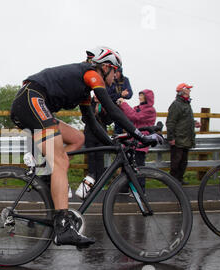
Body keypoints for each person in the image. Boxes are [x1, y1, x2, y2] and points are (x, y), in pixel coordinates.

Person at [10, 46, 163, 248]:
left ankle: (49, 176)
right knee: (61, 161)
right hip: (31, 99)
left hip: (33, 102)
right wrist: (139, 135)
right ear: (107, 67)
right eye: (116, 72)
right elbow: (113, 110)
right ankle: (63, 228)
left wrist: (112, 145)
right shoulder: (92, 75)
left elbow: (92, 123)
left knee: (77, 138)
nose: (117, 77)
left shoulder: (84, 87)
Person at [117, 89, 157, 190]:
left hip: (140, 144)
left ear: (147, 98)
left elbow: (135, 117)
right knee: (126, 167)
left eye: (142, 96)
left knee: (138, 168)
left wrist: (124, 104)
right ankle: (124, 189)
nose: (139, 97)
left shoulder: (150, 110)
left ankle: (140, 190)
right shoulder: (137, 108)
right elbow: (128, 115)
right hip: (132, 142)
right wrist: (120, 106)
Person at [166, 83, 201, 185]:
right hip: (178, 139)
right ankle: (173, 182)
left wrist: (194, 123)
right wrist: (171, 138)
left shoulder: (186, 104)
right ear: (182, 91)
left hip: (186, 138)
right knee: (176, 162)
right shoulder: (176, 104)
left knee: (183, 162)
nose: (190, 91)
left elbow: (185, 119)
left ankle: (179, 180)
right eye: (188, 89)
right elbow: (170, 122)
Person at [83, 95, 113, 181]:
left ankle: (100, 181)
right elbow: (84, 119)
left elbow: (109, 121)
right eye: (95, 94)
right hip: (90, 134)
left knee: (100, 158)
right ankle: (91, 180)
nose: (96, 96)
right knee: (91, 157)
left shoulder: (105, 104)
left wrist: (104, 111)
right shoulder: (88, 103)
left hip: (101, 135)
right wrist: (94, 112)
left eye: (98, 95)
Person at [108, 67, 133, 134]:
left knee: (127, 123)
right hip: (110, 106)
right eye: (114, 72)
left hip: (122, 106)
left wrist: (126, 95)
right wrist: (121, 94)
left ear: (120, 72)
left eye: (117, 72)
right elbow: (108, 96)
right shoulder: (109, 79)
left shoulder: (125, 80)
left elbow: (130, 93)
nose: (115, 74)